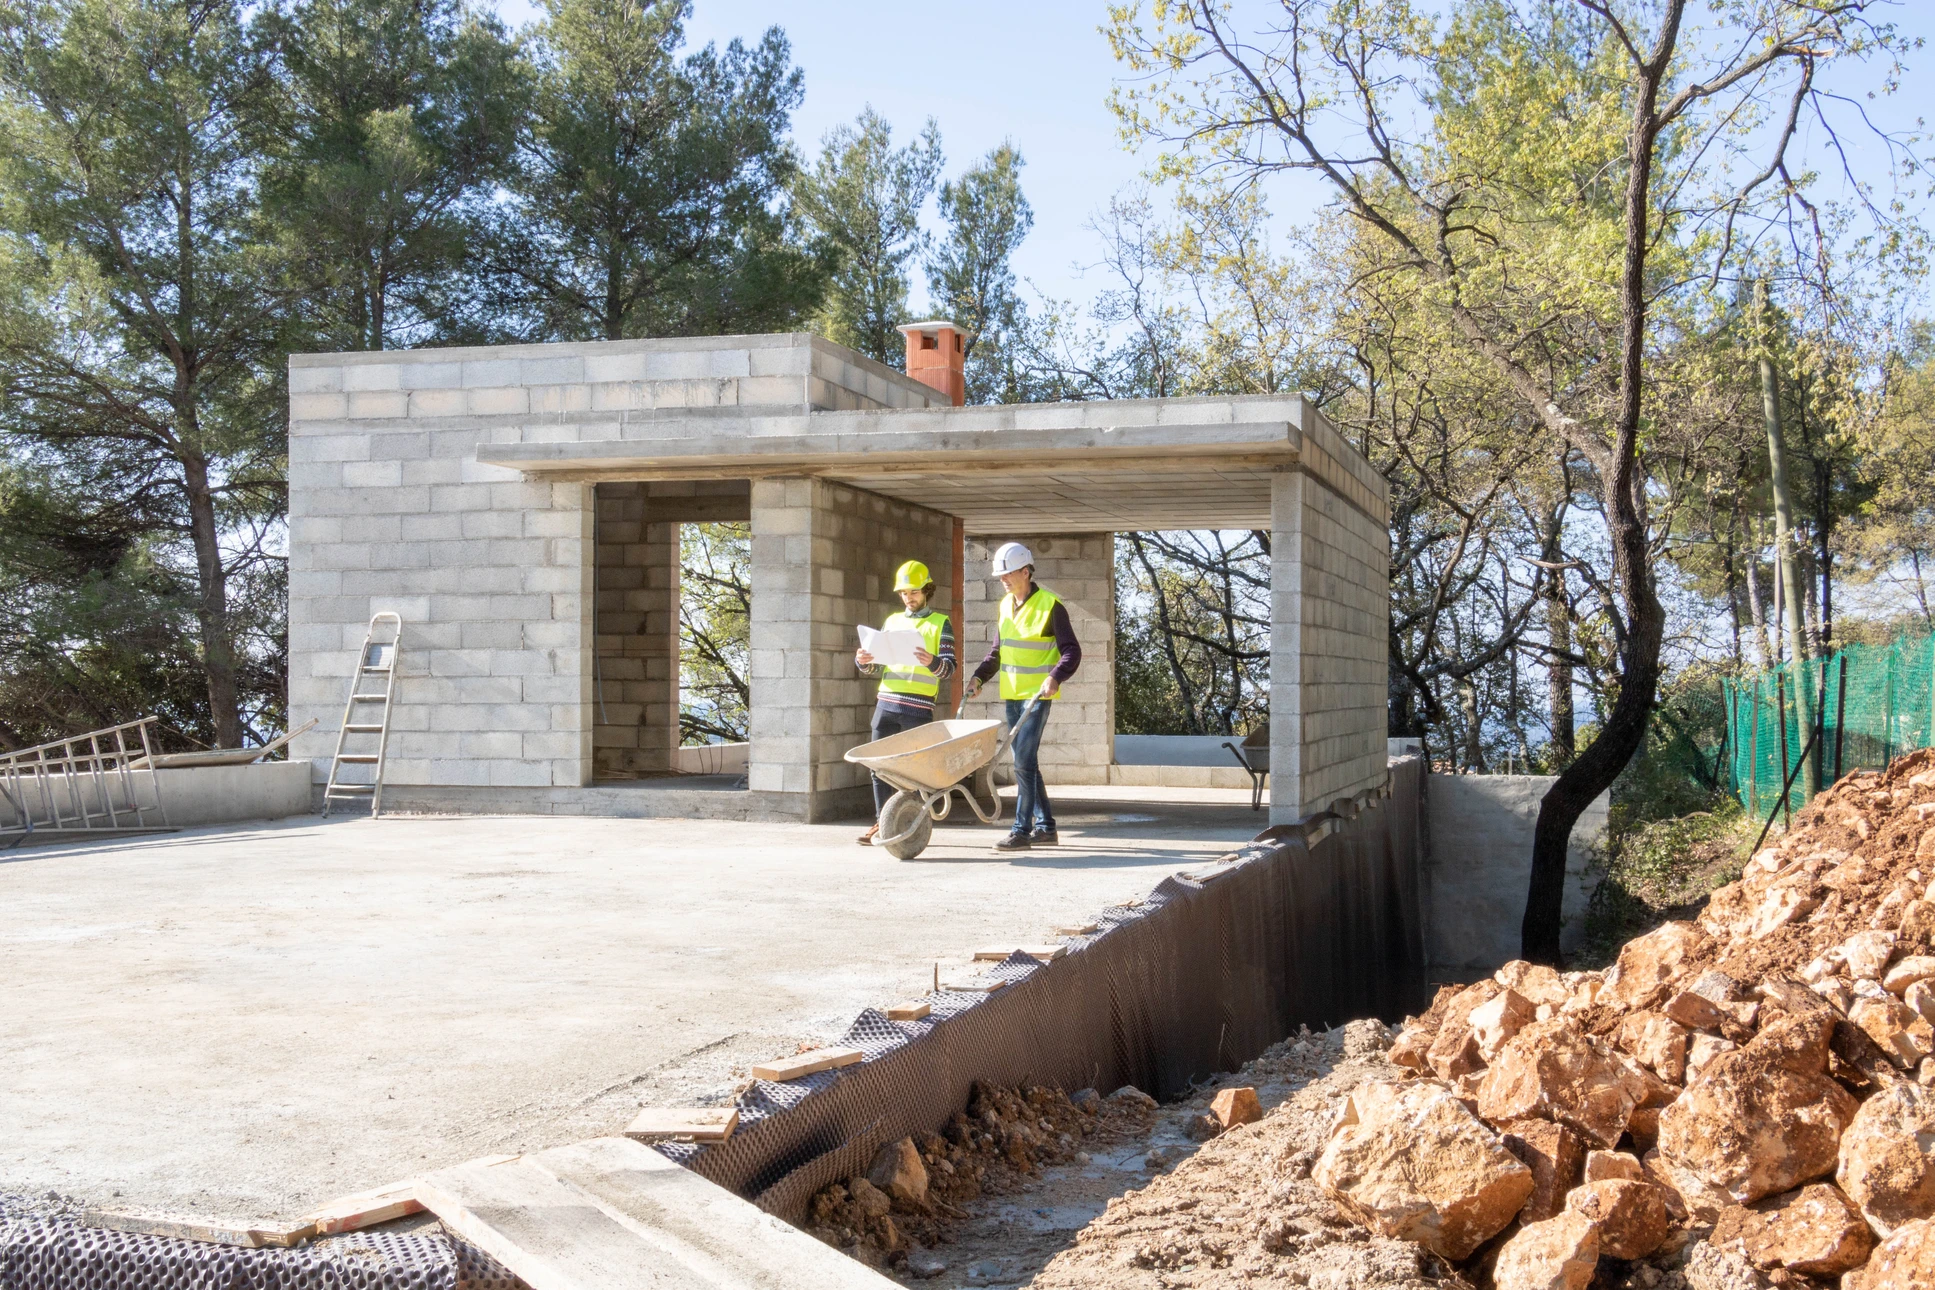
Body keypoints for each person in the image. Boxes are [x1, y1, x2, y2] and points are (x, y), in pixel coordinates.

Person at [965, 542, 1081, 851]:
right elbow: (997, 654)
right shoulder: (1004, 606)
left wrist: (1055, 677)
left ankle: (1021, 830)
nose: (1002, 580)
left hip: (1036, 698)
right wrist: (978, 678)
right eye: (1000, 575)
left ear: (1025, 572)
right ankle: (1046, 827)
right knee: (1027, 763)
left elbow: (1072, 651)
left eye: (1007, 574)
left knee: (1023, 764)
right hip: (1013, 696)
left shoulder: (1051, 606)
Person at [853, 559, 957, 845]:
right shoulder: (892, 621)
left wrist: (932, 661)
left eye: (913, 592)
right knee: (878, 767)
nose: (908, 598)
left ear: (926, 590)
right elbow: (877, 665)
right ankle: (882, 822)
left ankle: (908, 821)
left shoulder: (940, 623)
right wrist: (864, 662)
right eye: (903, 593)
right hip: (886, 703)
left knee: (911, 772)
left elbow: (949, 669)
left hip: (919, 708)